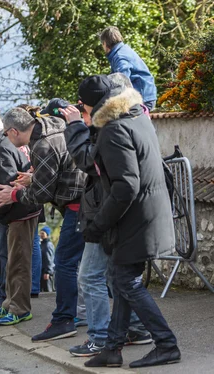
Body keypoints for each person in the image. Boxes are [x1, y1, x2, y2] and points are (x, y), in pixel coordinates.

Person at [61, 75, 180, 368]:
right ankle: (112, 348)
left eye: (85, 109)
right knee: (121, 278)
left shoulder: (112, 130)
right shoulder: (135, 115)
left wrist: (98, 224)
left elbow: (126, 186)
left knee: (126, 281)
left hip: (136, 219)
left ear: (92, 105)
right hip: (147, 215)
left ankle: (166, 344)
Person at [0, 107, 86, 342]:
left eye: (7, 136)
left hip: (78, 206)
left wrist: (13, 194)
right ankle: (86, 317)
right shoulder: (55, 126)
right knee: (90, 269)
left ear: (13, 131)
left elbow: (42, 192)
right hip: (85, 201)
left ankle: (65, 319)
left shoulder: (42, 145)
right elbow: (58, 171)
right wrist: (33, 178)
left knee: (64, 264)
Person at [0, 111, 41, 326]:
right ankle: (9, 304)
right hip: (17, 214)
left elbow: (11, 185)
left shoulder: (1, 151)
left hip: (21, 213)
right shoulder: (1, 146)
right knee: (12, 261)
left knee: (18, 262)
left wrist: (3, 205)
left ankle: (20, 309)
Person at [100, 26, 157, 110]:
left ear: (105, 43)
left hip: (142, 99)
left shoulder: (120, 57)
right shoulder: (122, 50)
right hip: (146, 96)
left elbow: (121, 81)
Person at [39, 227, 55, 292]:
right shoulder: (42, 244)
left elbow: (49, 260)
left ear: (47, 234)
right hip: (42, 271)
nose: (41, 234)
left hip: (46, 273)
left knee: (48, 291)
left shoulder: (48, 245)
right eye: (40, 233)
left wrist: (47, 272)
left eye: (43, 233)